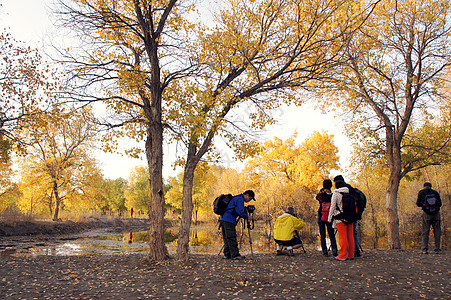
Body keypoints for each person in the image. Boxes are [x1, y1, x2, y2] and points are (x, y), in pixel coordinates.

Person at [219, 190, 255, 260]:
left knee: (227, 238)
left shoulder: (236, 197)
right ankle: (235, 255)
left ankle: (227, 254)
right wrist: (247, 216)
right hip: (229, 219)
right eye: (250, 198)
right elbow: (239, 211)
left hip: (223, 218)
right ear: (247, 195)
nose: (249, 200)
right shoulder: (240, 199)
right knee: (231, 237)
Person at [333, 175, 363, 257]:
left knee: (344, 235)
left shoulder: (340, 191)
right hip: (353, 214)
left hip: (344, 215)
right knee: (353, 233)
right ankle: (354, 252)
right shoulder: (351, 189)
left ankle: (344, 253)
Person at [328, 180, 355, 261]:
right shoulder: (349, 193)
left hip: (340, 218)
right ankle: (351, 254)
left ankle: (342, 255)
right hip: (350, 217)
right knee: (350, 236)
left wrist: (329, 218)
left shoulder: (336, 194)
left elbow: (332, 207)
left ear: (336, 186)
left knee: (342, 237)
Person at [416, 182, 442, 254]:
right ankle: (437, 249)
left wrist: (424, 206)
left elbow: (418, 204)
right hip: (436, 214)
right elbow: (440, 203)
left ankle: (424, 249)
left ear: (424, 186)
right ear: (431, 186)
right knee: (437, 231)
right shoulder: (435, 193)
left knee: (425, 231)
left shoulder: (422, 193)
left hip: (427, 214)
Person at [315, 179, 338, 257]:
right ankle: (334, 250)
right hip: (329, 215)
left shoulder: (321, 195)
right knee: (331, 233)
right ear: (331, 186)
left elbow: (317, 197)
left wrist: (322, 190)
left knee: (322, 234)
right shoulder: (332, 195)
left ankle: (324, 251)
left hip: (321, 214)